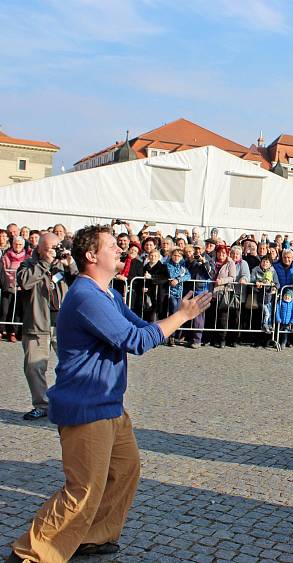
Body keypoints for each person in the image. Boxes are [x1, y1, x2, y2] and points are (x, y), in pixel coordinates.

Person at [6, 224, 210, 563]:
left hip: (109, 405)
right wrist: (181, 316)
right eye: (112, 245)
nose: (121, 249)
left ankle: (93, 536)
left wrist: (178, 316)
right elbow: (137, 342)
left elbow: (141, 328)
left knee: (125, 470)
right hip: (85, 407)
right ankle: (31, 553)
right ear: (91, 256)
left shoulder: (109, 294)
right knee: (82, 490)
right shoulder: (86, 296)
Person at [15, 233, 78, 421]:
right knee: (34, 367)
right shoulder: (28, 264)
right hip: (37, 324)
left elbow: (81, 282)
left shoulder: (63, 265)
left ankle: (71, 403)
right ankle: (42, 404)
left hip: (64, 325)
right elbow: (25, 282)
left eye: (57, 246)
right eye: (51, 247)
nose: (55, 250)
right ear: (40, 248)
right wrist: (44, 264)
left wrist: (71, 265)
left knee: (73, 365)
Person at [1, 236, 28, 343]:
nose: (18, 246)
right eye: (16, 244)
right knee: (5, 310)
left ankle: (14, 332)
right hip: (8, 286)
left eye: (20, 244)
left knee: (16, 311)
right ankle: (2, 330)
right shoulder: (6, 255)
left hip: (20, 287)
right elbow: (4, 269)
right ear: (13, 245)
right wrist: (9, 280)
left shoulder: (27, 257)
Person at [165, 249, 190, 346]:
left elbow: (188, 275)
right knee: (173, 311)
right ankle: (171, 336)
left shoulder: (183, 267)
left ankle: (175, 336)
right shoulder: (168, 265)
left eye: (179, 256)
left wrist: (178, 279)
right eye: (175, 255)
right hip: (170, 292)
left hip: (179, 294)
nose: (176, 257)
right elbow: (170, 275)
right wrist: (176, 277)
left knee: (177, 313)